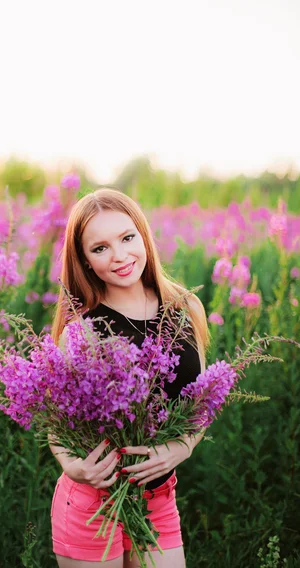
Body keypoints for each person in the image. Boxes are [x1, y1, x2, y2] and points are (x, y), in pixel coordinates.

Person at [49, 188, 210, 568]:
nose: (120, 256)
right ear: (85, 261)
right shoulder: (82, 331)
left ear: (143, 235)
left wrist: (183, 447)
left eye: (126, 237)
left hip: (158, 500)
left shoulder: (184, 308)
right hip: (92, 503)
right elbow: (57, 424)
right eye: (100, 248)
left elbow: (200, 401)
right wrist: (73, 467)